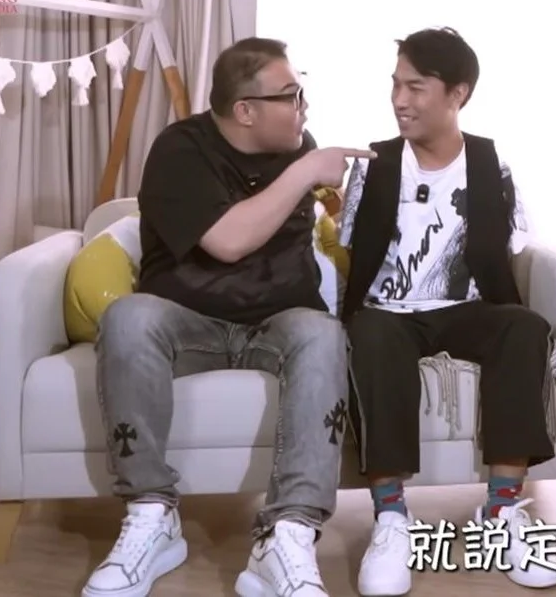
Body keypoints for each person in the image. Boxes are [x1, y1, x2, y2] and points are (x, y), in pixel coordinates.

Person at [83, 37, 376, 597]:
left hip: (280, 322)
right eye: (291, 96)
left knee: (323, 334)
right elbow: (228, 241)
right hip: (187, 320)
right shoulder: (179, 150)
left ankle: (288, 535)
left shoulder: (298, 145)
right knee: (127, 318)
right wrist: (305, 172)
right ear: (245, 110)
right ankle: (152, 514)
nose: (304, 107)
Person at [337, 27, 556, 596]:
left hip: (465, 308)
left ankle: (502, 510)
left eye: (415, 87)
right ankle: (391, 518)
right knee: (372, 334)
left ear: (457, 94)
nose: (399, 100)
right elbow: (349, 254)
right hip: (388, 311)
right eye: (395, 85)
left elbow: (508, 251)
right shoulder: (374, 165)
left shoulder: (489, 163)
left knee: (525, 328)